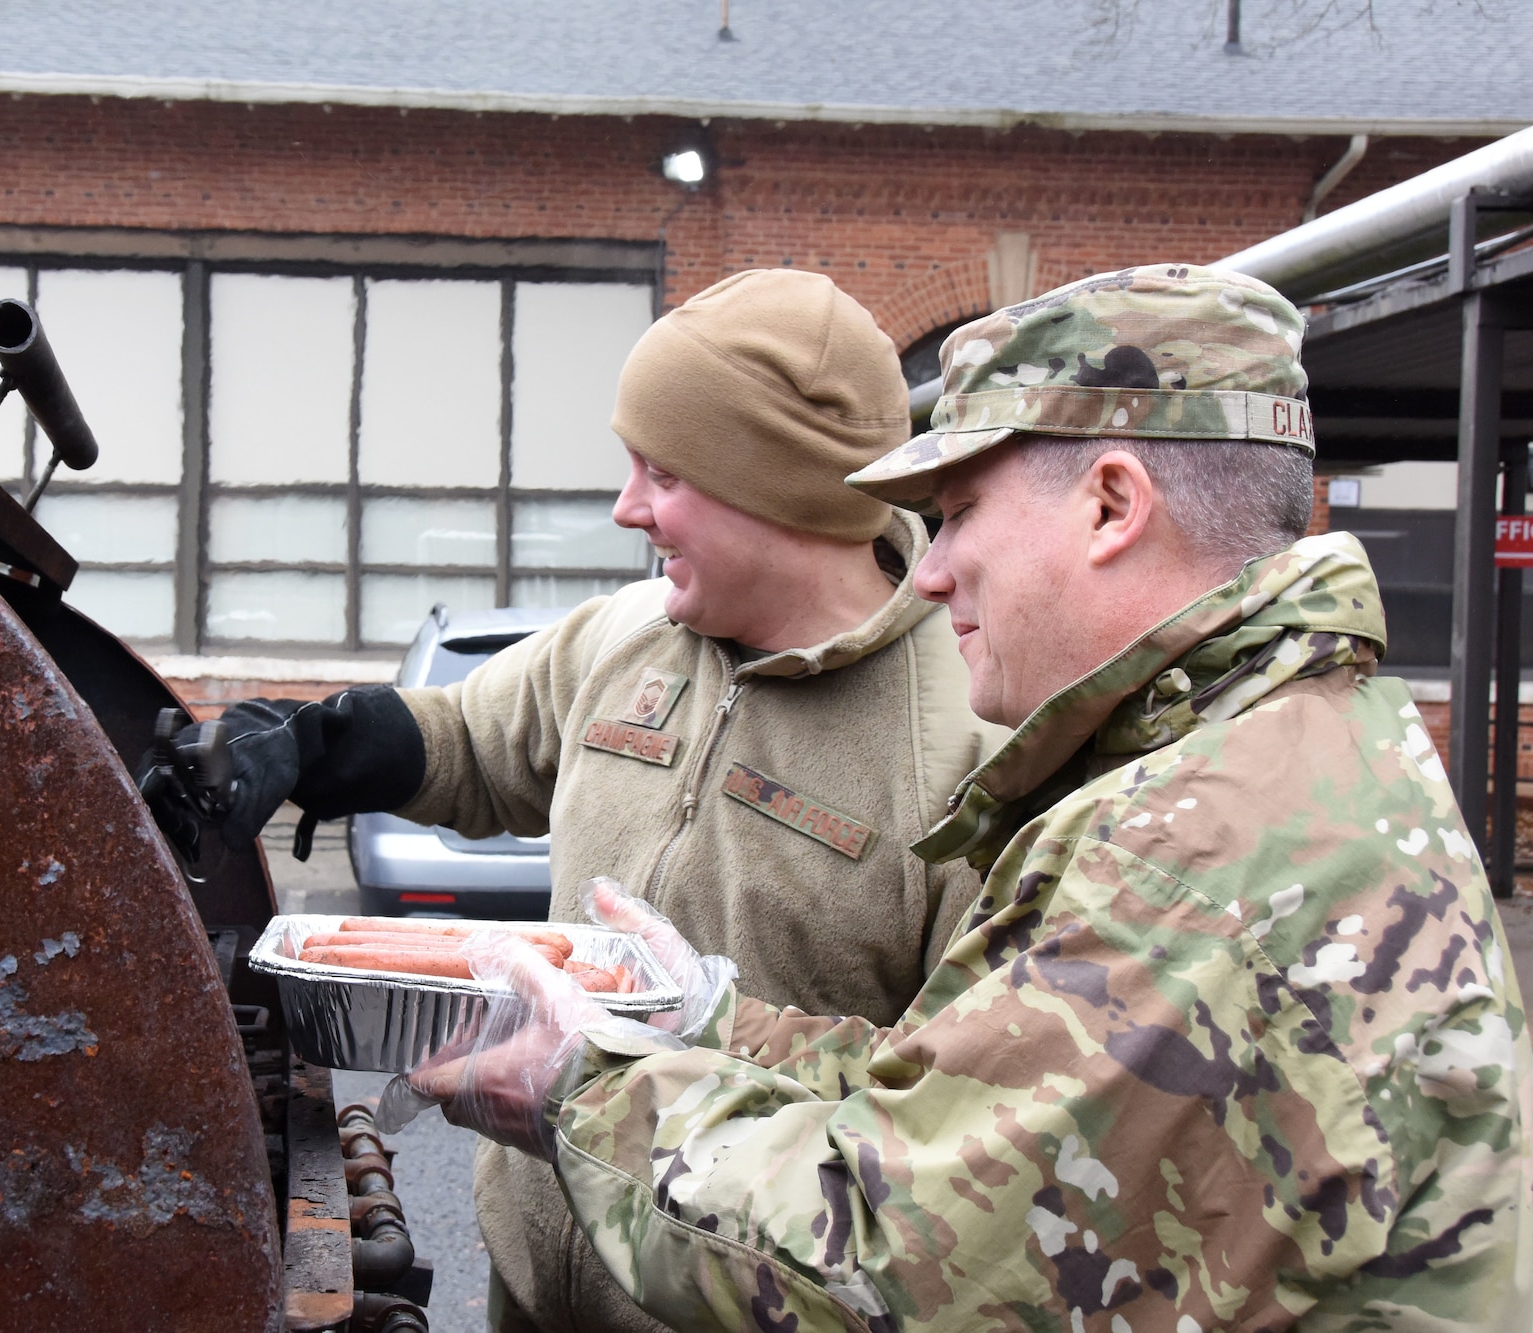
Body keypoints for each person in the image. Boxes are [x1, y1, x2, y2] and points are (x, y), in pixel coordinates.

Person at [392, 263, 1533, 1331]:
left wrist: (576, 1091)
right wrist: (704, 1019)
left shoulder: (1192, 845)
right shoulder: (1282, 749)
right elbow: (963, 1092)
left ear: (1109, 504)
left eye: (960, 512)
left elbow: (889, 1257)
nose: (929, 569)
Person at [186, 269, 1004, 1331]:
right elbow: (470, 742)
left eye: (661, 473)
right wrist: (310, 740)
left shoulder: (963, 745)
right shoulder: (627, 636)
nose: (626, 508)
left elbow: (949, 1122)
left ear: (775, 486)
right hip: (531, 1293)